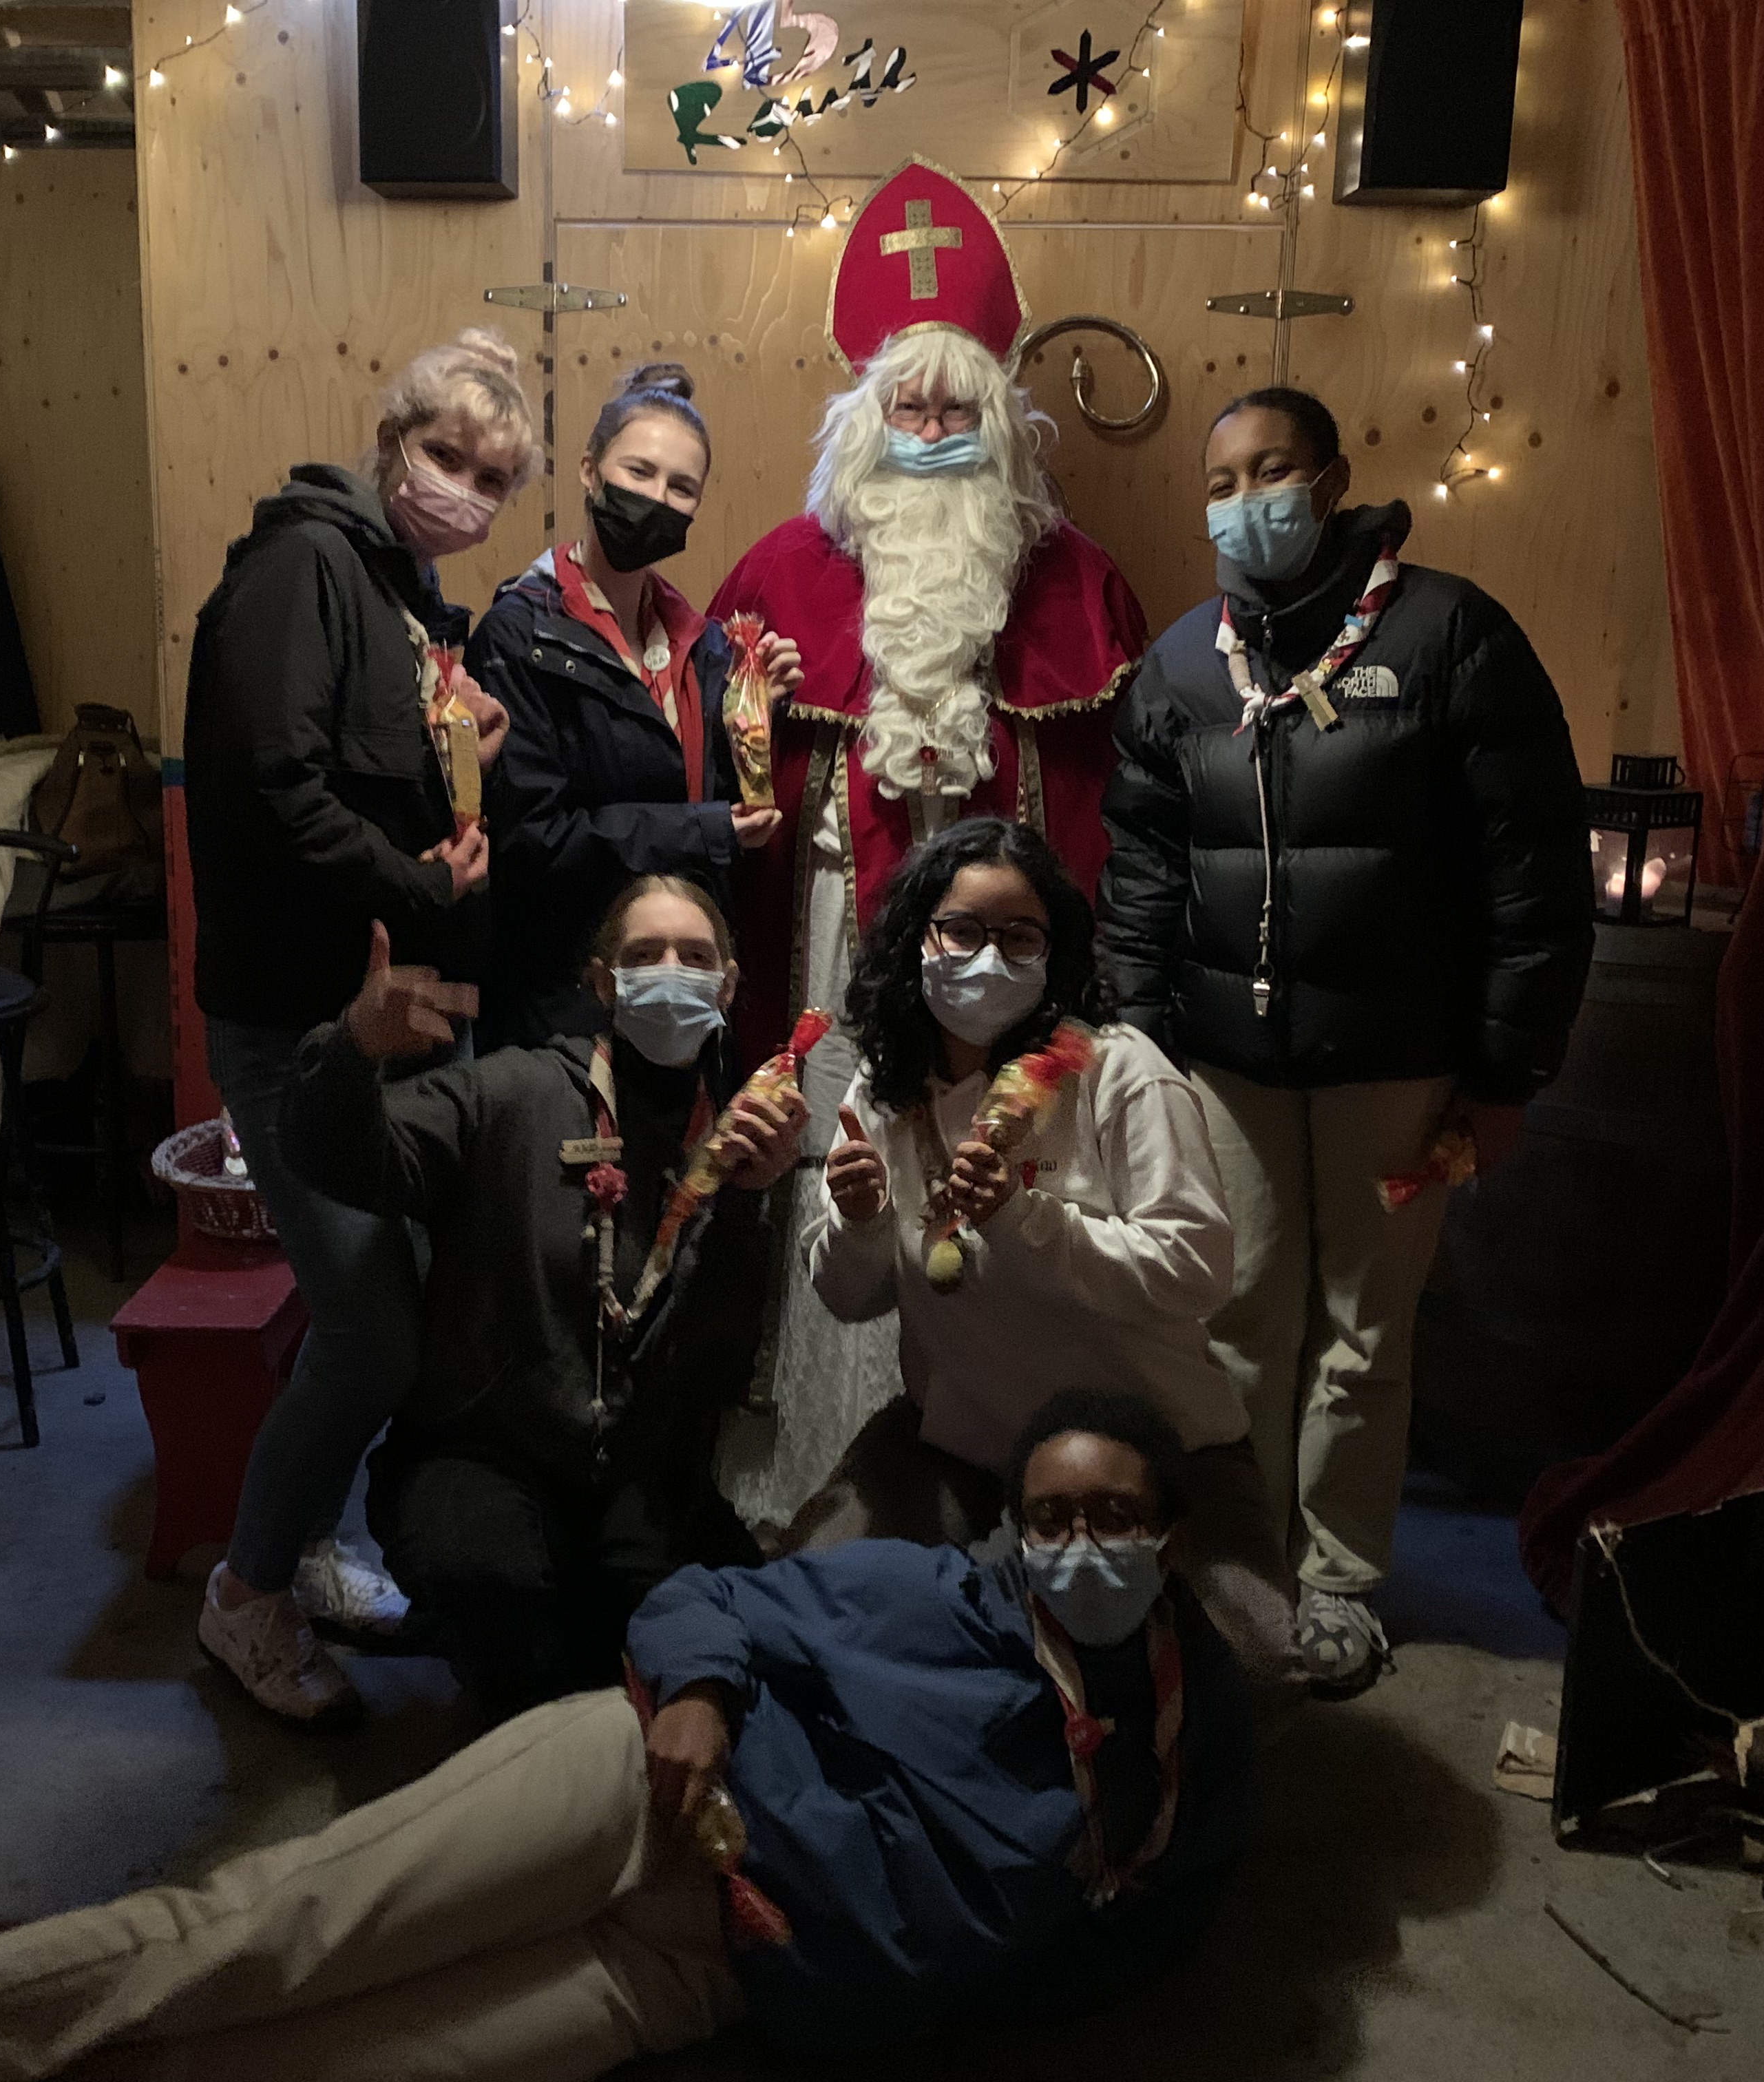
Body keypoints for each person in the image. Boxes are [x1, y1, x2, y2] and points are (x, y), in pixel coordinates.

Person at [0, 1391, 1256, 2082]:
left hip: (710, 1975)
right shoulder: (935, 1597)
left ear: (1171, 1535)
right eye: (1052, 1517)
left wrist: (914, 2000)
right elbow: (712, 1600)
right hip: (651, 1798)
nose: (1081, 1548)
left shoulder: (1198, 1742)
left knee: (315, 2067)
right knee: (268, 1934)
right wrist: (697, 1696)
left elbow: (1127, 1937)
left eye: (1115, 1518)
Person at [1098, 383, 1593, 1696]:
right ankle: (1244, 1562)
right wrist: (1134, 1038)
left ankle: (1336, 1578)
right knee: (1235, 1315)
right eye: (1220, 481)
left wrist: (1506, 1069)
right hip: (1222, 1063)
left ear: (1328, 482)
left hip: (1397, 1061)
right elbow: (1139, 867)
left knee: (1364, 1329)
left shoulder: (1447, 634)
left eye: (1269, 471)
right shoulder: (1183, 664)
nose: (1243, 500)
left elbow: (1533, 868)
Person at [706, 160, 1149, 1523]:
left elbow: (1113, 805)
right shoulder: (780, 574)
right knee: (842, 1173)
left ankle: (996, 1468)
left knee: (993, 1174)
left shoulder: (1076, 582)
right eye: (911, 404)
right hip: (834, 945)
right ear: (866, 419)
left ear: (1000, 422)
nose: (936, 427)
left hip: (1000, 968)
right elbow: (724, 775)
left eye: (960, 407)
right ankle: (812, 1474)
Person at [182, 328, 534, 1725]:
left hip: (391, 1011)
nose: (465, 490)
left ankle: (312, 1541)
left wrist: (467, 758)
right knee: (370, 1329)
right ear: (393, 442)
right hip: (299, 1019)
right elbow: (276, 786)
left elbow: (371, 766)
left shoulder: (399, 589)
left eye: (494, 479)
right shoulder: (302, 569)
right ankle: (246, 1593)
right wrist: (421, 887)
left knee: (393, 1309)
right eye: (448, 456)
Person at [281, 876, 805, 1718]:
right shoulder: (509, 1091)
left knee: (733, 1633)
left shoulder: (739, 1137)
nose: (671, 972)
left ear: (729, 984)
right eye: (644, 955)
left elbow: (717, 1363)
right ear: (602, 982)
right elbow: (337, 1160)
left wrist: (745, 1204)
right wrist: (351, 1049)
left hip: (640, 1465)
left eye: (695, 956)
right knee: (495, 1588)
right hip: (483, 1450)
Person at [790, 818, 1294, 1681]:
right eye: (962, 931)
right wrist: (862, 1222)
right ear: (917, 942)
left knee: (1249, 1671)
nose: (989, 957)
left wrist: (1024, 1221)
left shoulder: (1117, 1069)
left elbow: (1197, 1269)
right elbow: (849, 1297)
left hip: (1153, 1446)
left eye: (1020, 936)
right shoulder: (885, 1091)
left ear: (1053, 954)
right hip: (966, 1441)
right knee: (810, 1611)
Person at [466, 361, 801, 1049]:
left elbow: (714, 803)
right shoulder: (519, 636)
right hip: (562, 1000)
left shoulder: (706, 644)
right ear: (590, 471)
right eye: (639, 472)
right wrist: (708, 830)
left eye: (681, 487)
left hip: (685, 993)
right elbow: (533, 842)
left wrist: (756, 716)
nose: (657, 498)